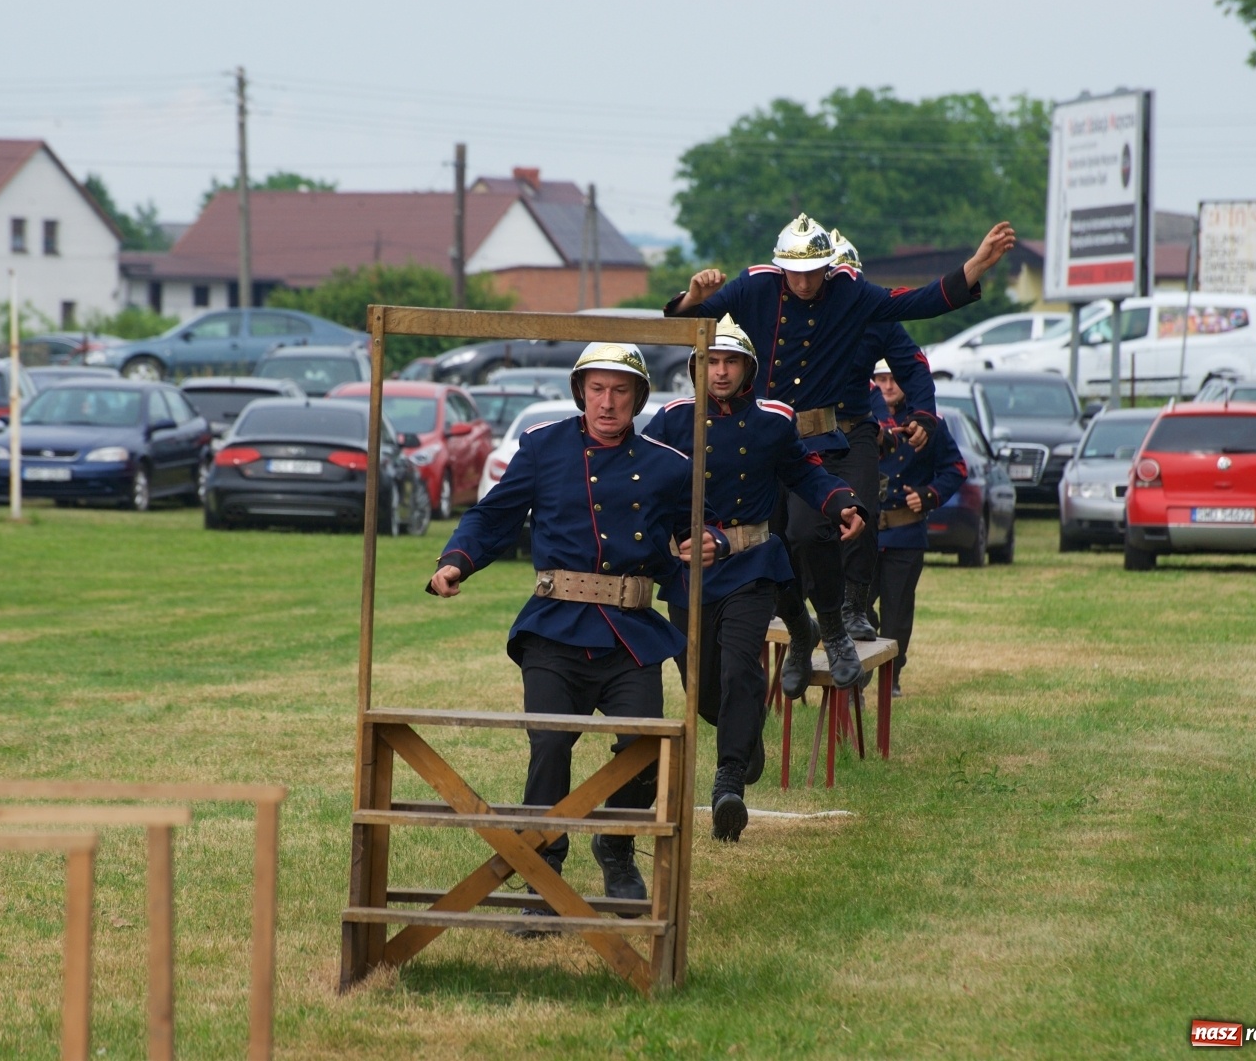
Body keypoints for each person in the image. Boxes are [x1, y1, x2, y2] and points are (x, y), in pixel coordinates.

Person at [428, 342, 723, 929]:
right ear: (580, 392)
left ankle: (615, 845)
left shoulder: (669, 465)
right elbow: (492, 515)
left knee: (644, 750)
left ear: (638, 398)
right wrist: (456, 560)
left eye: (619, 391)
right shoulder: (543, 447)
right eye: (596, 390)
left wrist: (705, 544)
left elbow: (696, 531)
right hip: (554, 631)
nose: (606, 403)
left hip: (632, 634)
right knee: (551, 746)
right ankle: (543, 874)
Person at [665, 215, 1014, 698]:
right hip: (767, 440)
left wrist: (975, 265)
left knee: (812, 532)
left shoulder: (851, 290)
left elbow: (917, 302)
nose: (804, 282)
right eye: (795, 271)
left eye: (814, 271)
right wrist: (693, 299)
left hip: (827, 442)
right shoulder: (754, 286)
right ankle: (800, 630)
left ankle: (834, 623)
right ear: (779, 264)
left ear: (830, 266)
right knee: (773, 547)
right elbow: (688, 329)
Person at [643, 317, 866, 841]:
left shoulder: (773, 420)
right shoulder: (673, 419)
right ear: (698, 368)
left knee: (741, 666)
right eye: (711, 362)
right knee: (699, 686)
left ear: (748, 369)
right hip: (689, 571)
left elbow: (806, 472)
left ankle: (729, 784)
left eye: (731, 362)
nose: (720, 372)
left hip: (752, 565)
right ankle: (745, 739)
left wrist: (841, 502)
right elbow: (639, 475)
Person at [871, 360, 967, 697]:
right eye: (880, 378)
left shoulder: (929, 424)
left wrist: (929, 496)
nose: (886, 386)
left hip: (906, 533)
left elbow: (955, 468)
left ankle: (890, 678)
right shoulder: (860, 421)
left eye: (893, 378)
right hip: (864, 533)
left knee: (897, 612)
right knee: (857, 607)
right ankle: (857, 674)